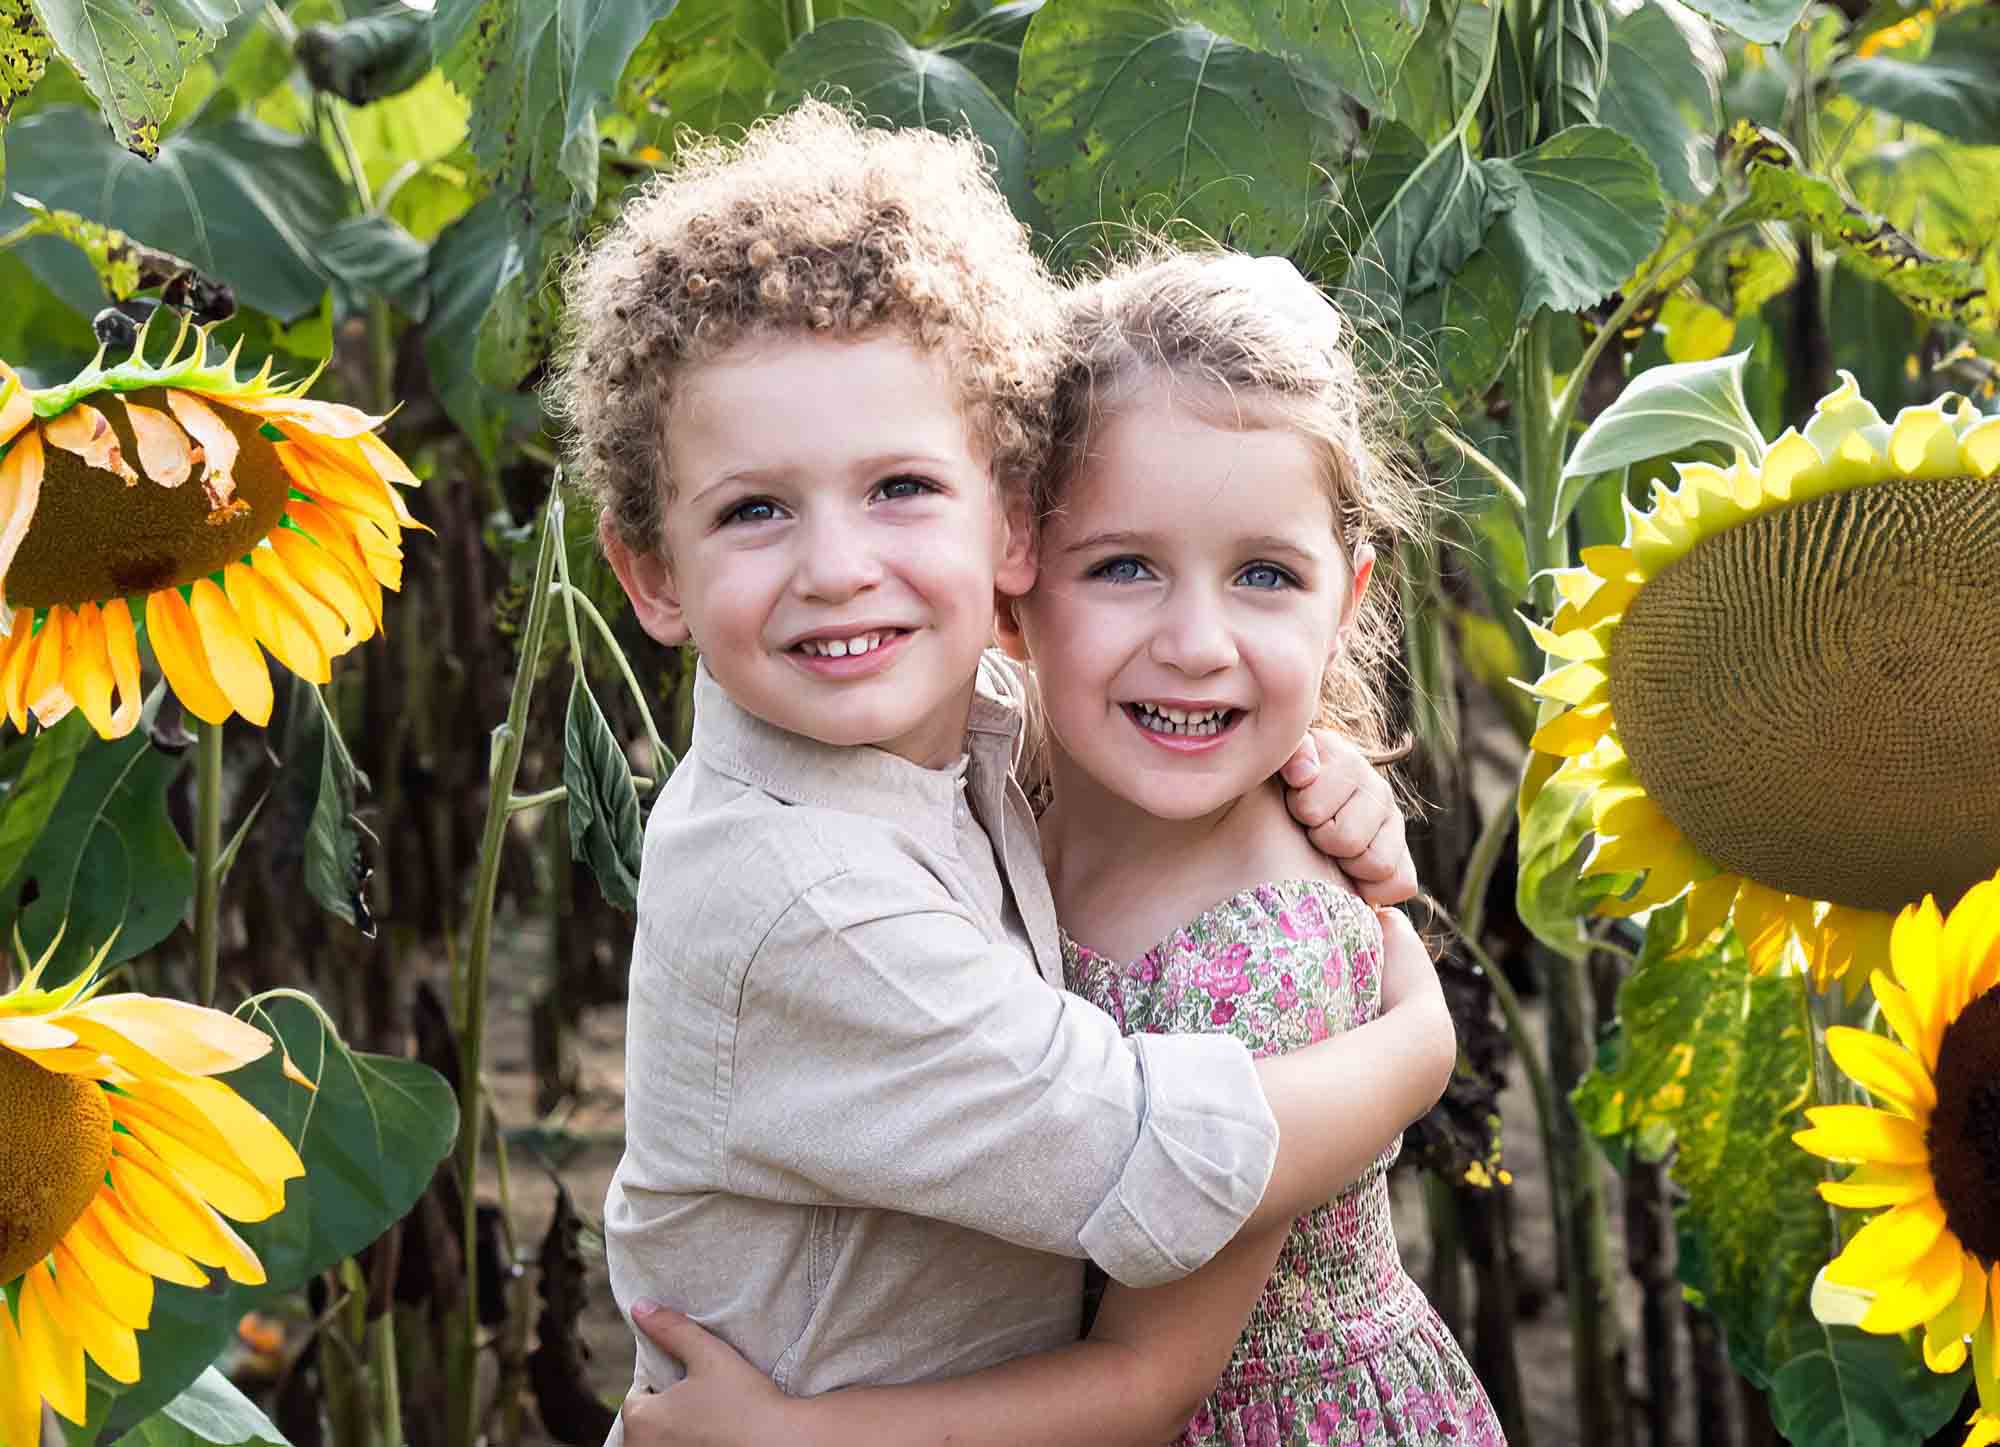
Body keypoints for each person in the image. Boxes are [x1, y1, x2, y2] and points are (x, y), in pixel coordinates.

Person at [550, 101, 1457, 1447]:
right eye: (755, 510)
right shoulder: (811, 899)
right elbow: (1134, 1157)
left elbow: (1124, 703)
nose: (837, 567)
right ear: (651, 577)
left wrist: (1323, 763)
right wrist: (1415, 1047)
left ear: (1011, 526)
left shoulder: (925, 710)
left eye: (901, 488)